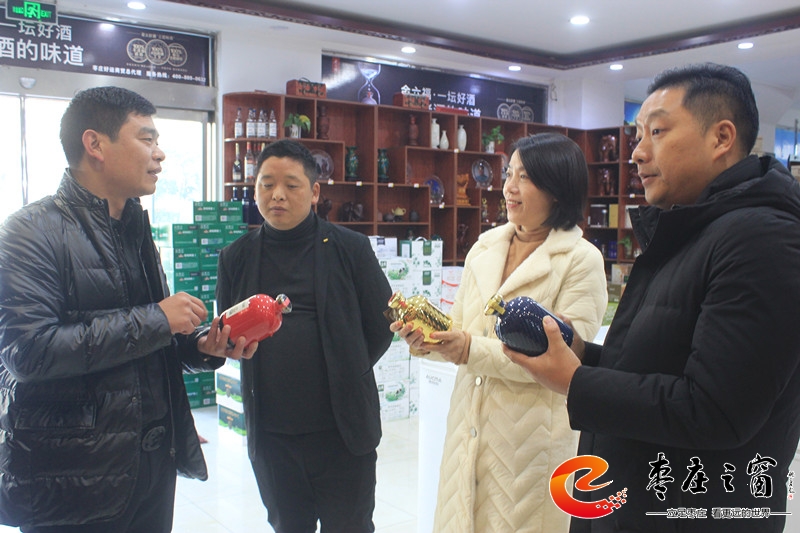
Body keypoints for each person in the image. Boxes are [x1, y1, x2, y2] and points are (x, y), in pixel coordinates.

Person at [505, 63, 800, 533]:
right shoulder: (690, 230)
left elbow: (716, 410)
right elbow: (658, 365)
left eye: (657, 132)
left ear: (721, 138)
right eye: (637, 134)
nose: (638, 153)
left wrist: (577, 382)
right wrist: (583, 354)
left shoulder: (762, 240)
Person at [0, 86, 257, 532]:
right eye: (146, 138)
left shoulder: (135, 226)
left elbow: (150, 343)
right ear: (95, 144)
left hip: (149, 465)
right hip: (73, 478)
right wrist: (157, 318)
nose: (159, 154)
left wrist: (202, 347)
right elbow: (29, 352)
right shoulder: (28, 233)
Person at [393, 132, 608, 532]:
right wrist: (427, 339)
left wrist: (469, 349)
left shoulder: (581, 260)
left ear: (557, 189)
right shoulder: (484, 247)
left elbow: (562, 359)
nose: (509, 187)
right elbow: (460, 329)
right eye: (509, 174)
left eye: (525, 177)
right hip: (467, 433)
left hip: (529, 446)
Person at [215, 139, 393, 533]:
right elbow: (230, 327)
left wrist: (348, 366)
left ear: (314, 192)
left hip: (342, 433)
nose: (277, 194)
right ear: (254, 190)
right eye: (266, 184)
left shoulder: (350, 248)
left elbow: (382, 323)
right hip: (272, 437)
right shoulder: (236, 257)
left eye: (291, 185)